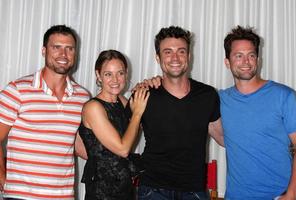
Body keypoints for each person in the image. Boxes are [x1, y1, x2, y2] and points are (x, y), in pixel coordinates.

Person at [133, 26, 224, 200]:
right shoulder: (143, 94)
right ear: (157, 57)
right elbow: (123, 140)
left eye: (181, 51)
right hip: (153, 190)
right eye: (168, 52)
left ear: (189, 57)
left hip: (194, 190)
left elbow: (223, 137)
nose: (175, 58)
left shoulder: (207, 95)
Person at [0, 25, 90, 200]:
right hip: (21, 196)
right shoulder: (17, 90)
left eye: (69, 49)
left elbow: (80, 146)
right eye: (56, 47)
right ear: (44, 51)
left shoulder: (83, 98)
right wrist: (2, 177)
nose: (63, 54)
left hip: (63, 196)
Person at [220, 25, 296, 199]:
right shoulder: (220, 99)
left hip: (278, 195)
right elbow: (222, 137)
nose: (246, 62)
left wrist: (292, 194)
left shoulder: (284, 96)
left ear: (258, 59)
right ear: (227, 62)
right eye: (238, 56)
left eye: (251, 55)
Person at [78, 50, 149, 200]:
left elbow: (132, 136)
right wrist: (137, 113)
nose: (115, 79)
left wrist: (149, 85)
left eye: (120, 73)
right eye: (108, 74)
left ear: (126, 73)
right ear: (98, 75)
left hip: (124, 187)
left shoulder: (122, 101)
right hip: (102, 191)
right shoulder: (93, 107)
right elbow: (123, 149)